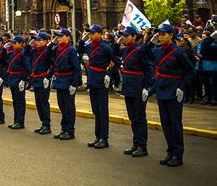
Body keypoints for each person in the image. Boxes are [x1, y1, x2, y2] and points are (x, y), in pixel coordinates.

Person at [149, 22, 195, 167]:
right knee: (166, 123)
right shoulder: (158, 50)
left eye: (163, 34)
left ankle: (178, 154)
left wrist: (182, 87)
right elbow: (144, 54)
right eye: (159, 34)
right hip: (161, 90)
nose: (160, 37)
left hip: (174, 91)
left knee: (175, 124)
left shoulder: (178, 52)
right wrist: (150, 41)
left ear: (171, 35)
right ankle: (170, 151)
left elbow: (190, 72)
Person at [79, 23, 117, 149]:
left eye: (93, 33)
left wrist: (108, 74)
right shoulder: (89, 46)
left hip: (101, 80)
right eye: (90, 33)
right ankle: (97, 136)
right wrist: (81, 40)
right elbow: (79, 52)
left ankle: (104, 138)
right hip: (92, 80)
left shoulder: (105, 48)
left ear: (100, 34)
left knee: (102, 110)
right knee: (95, 109)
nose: (91, 35)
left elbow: (114, 62)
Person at [120, 26, 154, 157]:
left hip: (138, 87)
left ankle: (142, 146)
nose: (124, 37)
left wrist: (146, 87)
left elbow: (149, 69)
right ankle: (136, 143)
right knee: (132, 117)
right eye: (123, 35)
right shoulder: (125, 50)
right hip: (128, 87)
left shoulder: (140, 50)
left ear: (134, 37)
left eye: (127, 35)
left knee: (140, 117)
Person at [51, 28, 81, 140]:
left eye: (61, 36)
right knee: (62, 106)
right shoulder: (57, 48)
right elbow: (49, 55)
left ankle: (70, 131)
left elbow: (76, 68)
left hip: (68, 80)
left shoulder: (71, 50)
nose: (59, 38)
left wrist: (74, 83)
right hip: (60, 80)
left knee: (69, 107)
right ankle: (63, 129)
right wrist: (52, 43)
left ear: (68, 37)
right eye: (58, 36)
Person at [29, 32, 54, 135]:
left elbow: (54, 65)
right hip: (35, 79)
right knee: (38, 103)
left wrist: (48, 77)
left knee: (44, 102)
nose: (37, 42)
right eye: (37, 40)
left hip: (43, 79)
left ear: (45, 41)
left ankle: (47, 125)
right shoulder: (34, 51)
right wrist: (29, 44)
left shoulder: (47, 52)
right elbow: (26, 53)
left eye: (40, 40)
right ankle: (43, 123)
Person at [6, 35, 31, 129]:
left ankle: (20, 122)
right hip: (13, 78)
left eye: (15, 43)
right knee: (15, 101)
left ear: (21, 44)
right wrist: (5, 49)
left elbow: (27, 69)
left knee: (20, 101)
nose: (13, 45)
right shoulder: (12, 53)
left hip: (19, 78)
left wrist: (23, 80)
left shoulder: (23, 54)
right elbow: (4, 59)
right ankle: (16, 120)